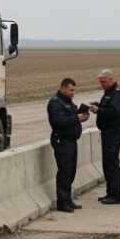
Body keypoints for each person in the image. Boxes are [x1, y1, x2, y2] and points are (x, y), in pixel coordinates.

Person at [47, 78, 90, 213]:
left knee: (71, 172)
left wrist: (81, 117)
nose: (73, 93)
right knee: (64, 172)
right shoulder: (55, 103)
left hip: (71, 140)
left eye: (74, 90)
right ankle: (62, 203)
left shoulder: (68, 102)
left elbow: (70, 119)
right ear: (63, 88)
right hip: (62, 140)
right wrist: (76, 118)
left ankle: (67, 199)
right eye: (71, 90)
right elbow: (58, 121)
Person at [90, 69, 120, 204]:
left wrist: (99, 110)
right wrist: (98, 106)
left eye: (104, 82)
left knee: (112, 164)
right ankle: (110, 192)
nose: (102, 84)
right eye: (100, 82)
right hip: (108, 133)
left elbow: (114, 112)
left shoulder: (117, 94)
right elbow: (108, 108)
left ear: (111, 79)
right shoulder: (109, 93)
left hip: (113, 132)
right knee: (107, 164)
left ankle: (116, 195)